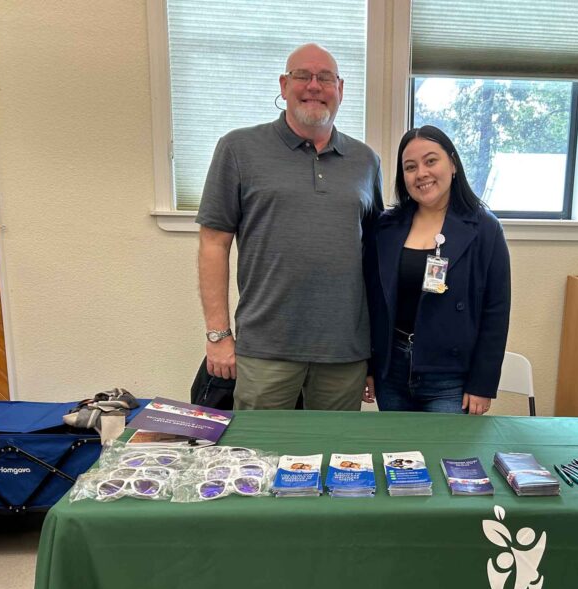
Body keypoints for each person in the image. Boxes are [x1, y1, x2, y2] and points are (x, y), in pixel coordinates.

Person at [196, 43, 383, 411]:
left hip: (344, 353)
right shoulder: (238, 148)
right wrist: (218, 336)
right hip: (266, 349)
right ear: (284, 85)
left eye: (325, 78)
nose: (314, 86)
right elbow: (213, 245)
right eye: (303, 76)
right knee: (257, 458)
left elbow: (375, 260)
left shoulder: (366, 161)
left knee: (336, 459)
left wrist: (375, 353)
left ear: (340, 89)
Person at [363, 126, 510, 414]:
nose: (421, 173)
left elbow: (496, 311)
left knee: (445, 457)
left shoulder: (485, 229)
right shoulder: (385, 227)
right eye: (410, 167)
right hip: (391, 371)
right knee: (399, 457)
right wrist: (368, 366)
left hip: (450, 377)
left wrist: (482, 384)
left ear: (453, 164)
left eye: (431, 161)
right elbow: (370, 303)